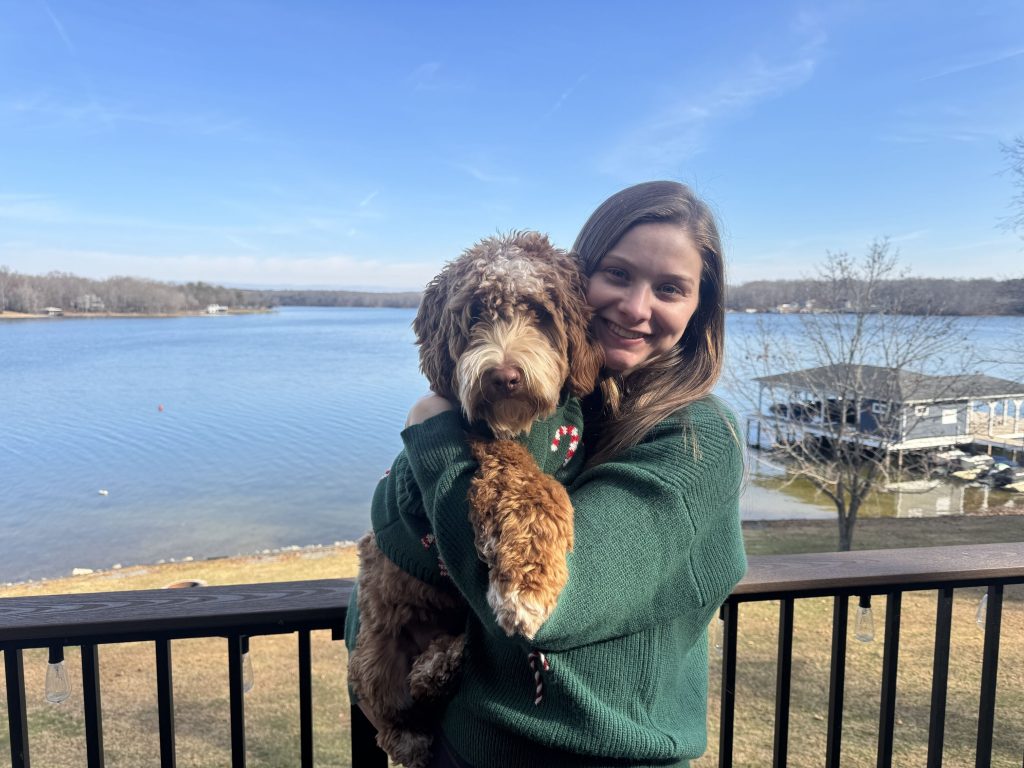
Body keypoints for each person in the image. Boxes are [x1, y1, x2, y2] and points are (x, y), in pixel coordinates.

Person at [395, 180, 748, 767]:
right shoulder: (559, 406)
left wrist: (433, 433)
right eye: (617, 274)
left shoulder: (697, 437)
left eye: (669, 289)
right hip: (466, 745)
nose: (636, 307)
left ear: (697, 310)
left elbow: (555, 601)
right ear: (575, 281)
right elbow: (402, 537)